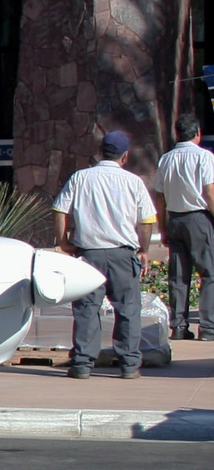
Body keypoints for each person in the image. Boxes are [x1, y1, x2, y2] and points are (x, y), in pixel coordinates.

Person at [52, 130, 157, 380]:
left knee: (87, 309)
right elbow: (146, 220)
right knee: (128, 310)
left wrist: (64, 243)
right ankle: (129, 364)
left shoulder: (80, 177)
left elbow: (59, 210)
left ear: (100, 152)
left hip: (89, 255)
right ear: (125, 156)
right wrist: (143, 249)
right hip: (122, 254)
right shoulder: (133, 182)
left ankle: (82, 364)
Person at [151, 112, 214, 341]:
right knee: (209, 274)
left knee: (178, 276)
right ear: (198, 133)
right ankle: (208, 328)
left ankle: (178, 326)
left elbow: (160, 196)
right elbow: (209, 192)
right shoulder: (204, 157)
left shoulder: (166, 159)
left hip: (174, 218)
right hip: (198, 218)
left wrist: (163, 226)